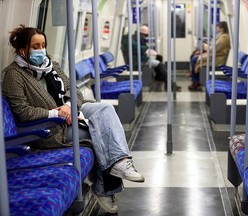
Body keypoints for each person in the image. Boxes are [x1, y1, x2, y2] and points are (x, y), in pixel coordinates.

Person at [2, 25, 145, 214]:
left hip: (71, 109)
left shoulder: (51, 65)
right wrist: (57, 113)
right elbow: (23, 111)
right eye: (36, 46)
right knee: (99, 134)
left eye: (43, 45)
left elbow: (74, 90)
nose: (41, 50)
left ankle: (121, 161)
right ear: (23, 50)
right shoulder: (14, 75)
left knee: (104, 108)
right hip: (51, 127)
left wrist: (69, 106)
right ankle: (103, 189)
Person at [121, 25, 181, 91]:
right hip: (138, 61)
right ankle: (170, 84)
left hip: (139, 58)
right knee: (160, 64)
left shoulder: (134, 37)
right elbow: (137, 48)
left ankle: (159, 77)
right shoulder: (135, 38)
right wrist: (146, 50)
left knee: (159, 57)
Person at [188, 21, 231, 91]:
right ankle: (195, 78)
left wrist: (204, 46)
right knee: (194, 56)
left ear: (222, 28)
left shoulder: (224, 38)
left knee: (195, 59)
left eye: (217, 27)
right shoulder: (221, 36)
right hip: (216, 55)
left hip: (218, 58)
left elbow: (213, 49)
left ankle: (196, 81)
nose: (216, 29)